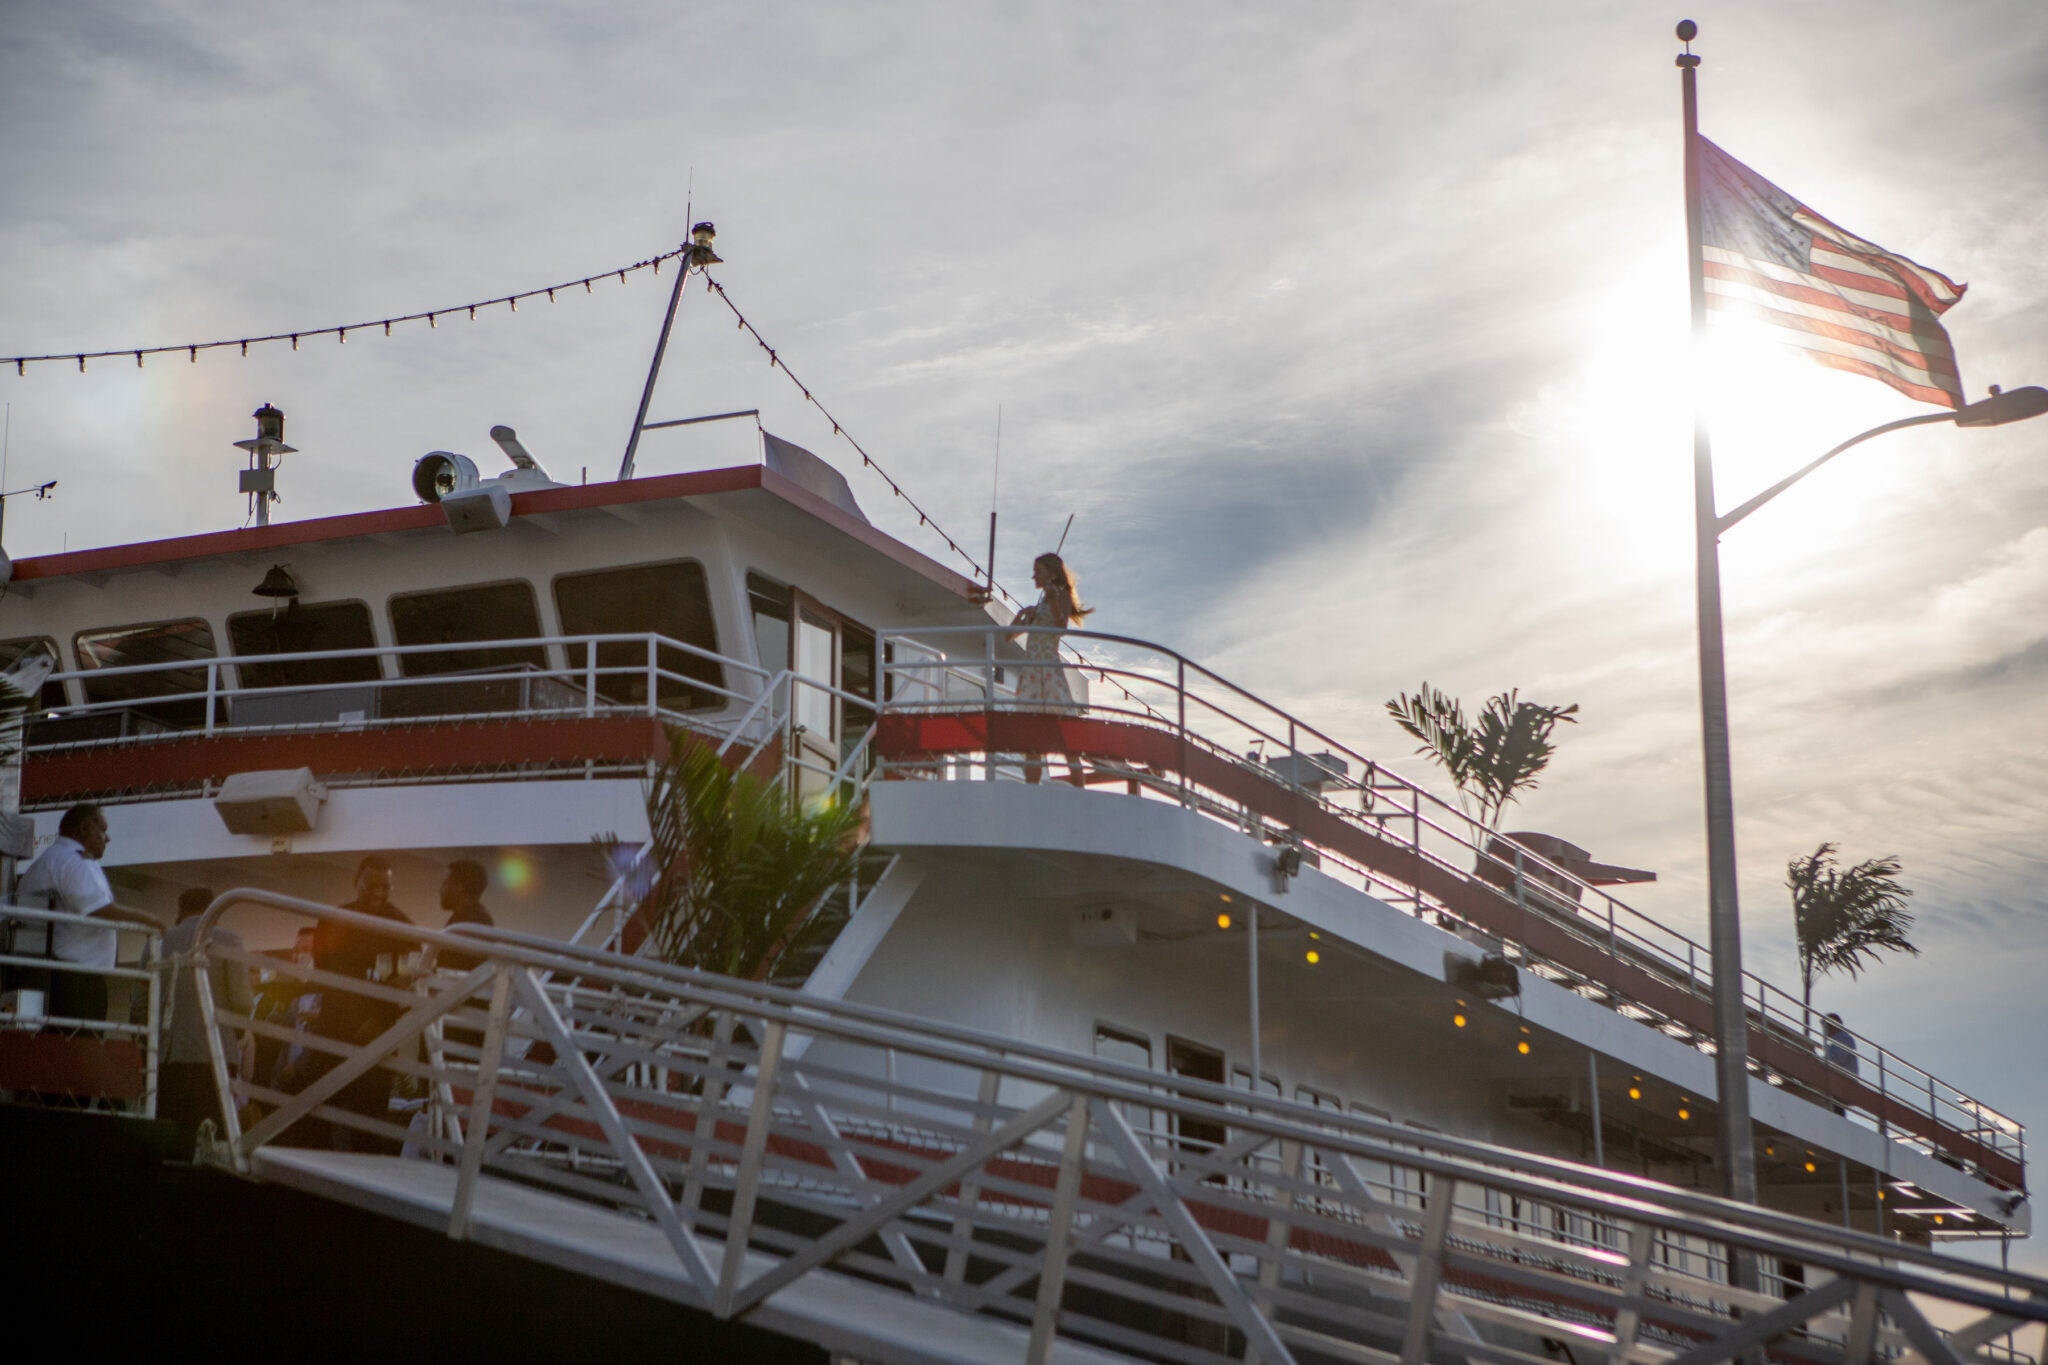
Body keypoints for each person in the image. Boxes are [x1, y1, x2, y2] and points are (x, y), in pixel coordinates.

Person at [301, 856, 414, 1150]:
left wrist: (378, 1021)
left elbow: (406, 984)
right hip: (333, 1026)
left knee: (369, 1119)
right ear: (356, 883)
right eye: (371, 885)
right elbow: (323, 969)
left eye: (385, 886)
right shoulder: (332, 919)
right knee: (319, 1111)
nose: (379, 892)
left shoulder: (403, 927)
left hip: (375, 1034)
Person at [14, 803, 158, 1022]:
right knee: (81, 1050)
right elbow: (96, 909)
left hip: (47, 976)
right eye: (102, 829)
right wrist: (148, 920)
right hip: (75, 983)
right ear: (84, 828)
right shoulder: (75, 861)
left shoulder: (48, 861)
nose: (106, 838)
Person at [159, 887, 254, 1153]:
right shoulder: (229, 939)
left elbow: (140, 1000)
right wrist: (237, 1030)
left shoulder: (158, 942)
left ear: (180, 912)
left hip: (167, 1056)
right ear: (214, 911)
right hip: (215, 1054)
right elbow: (243, 1002)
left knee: (173, 1137)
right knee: (212, 1138)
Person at [1009, 552, 1094, 785]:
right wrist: (1022, 616)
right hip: (1032, 673)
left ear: (1052, 574)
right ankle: (1032, 790)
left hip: (1048, 669)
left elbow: (1060, 628)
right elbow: (1009, 636)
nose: (1033, 576)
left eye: (1039, 571)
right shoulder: (1040, 605)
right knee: (1032, 739)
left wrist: (1054, 601)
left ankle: (1079, 789)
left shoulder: (1061, 596)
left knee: (1066, 735)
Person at [436, 858, 495, 973]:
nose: (440, 890)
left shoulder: (468, 924)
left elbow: (450, 970)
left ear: (459, 887)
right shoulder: (478, 918)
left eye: (445, 884)